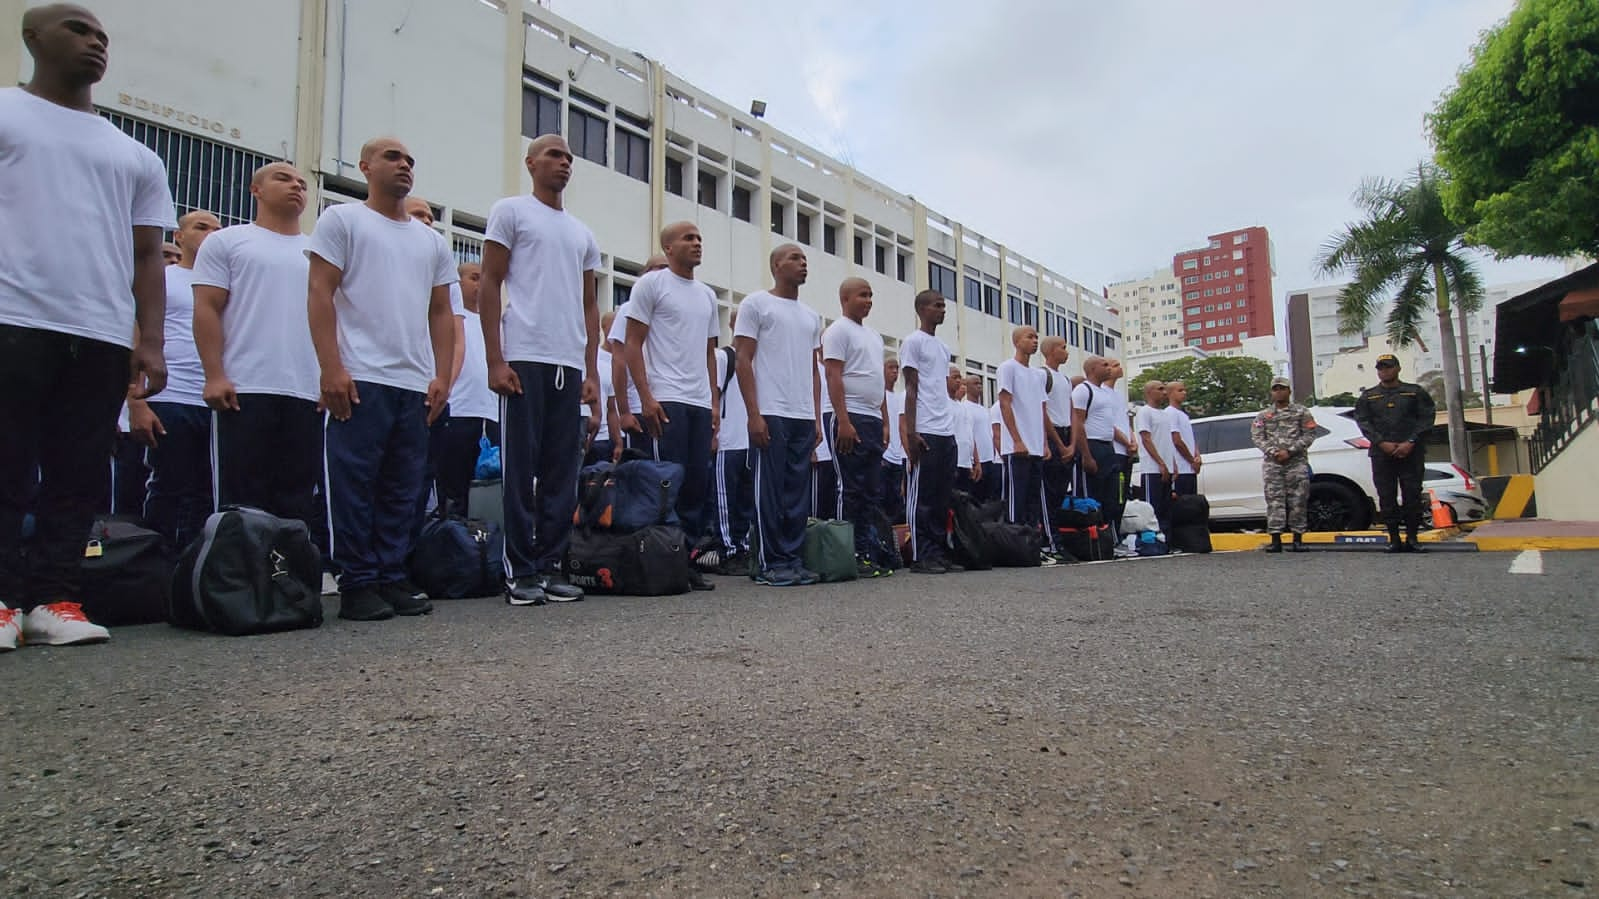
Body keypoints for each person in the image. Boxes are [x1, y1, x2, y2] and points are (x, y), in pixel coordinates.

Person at [0, 4, 176, 649]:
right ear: (32, 37)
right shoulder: (6, 113)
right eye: (77, 29)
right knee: (7, 464)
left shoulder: (132, 154)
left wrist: (149, 340)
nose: (95, 43)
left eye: (103, 35)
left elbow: (146, 254)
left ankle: (55, 599)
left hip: (98, 331)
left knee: (78, 473)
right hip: (13, 317)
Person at [308, 137, 457, 621]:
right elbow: (320, 292)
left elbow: (440, 312)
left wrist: (440, 376)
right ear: (366, 166)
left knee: (404, 488)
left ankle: (392, 575)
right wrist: (331, 367)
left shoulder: (431, 241)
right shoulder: (342, 220)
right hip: (360, 377)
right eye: (393, 157)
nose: (405, 165)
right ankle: (357, 582)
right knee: (354, 484)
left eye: (411, 160)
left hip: (414, 383)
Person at [480, 135, 600, 606]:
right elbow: (490, 281)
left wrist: (590, 370)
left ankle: (551, 564)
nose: (564, 162)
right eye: (554, 154)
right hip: (524, 354)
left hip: (567, 361)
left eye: (569, 156)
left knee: (560, 473)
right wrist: (495, 358)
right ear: (530, 163)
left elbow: (590, 304)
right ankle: (519, 570)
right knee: (520, 469)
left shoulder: (582, 233)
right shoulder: (510, 212)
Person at [193, 163, 322, 540]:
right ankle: (239, 589)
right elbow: (207, 309)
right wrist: (214, 374)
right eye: (284, 178)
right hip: (244, 388)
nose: (296, 186)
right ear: (256, 190)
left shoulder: (317, 252)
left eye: (302, 183)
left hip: (306, 392)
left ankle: (286, 588)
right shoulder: (228, 242)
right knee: (241, 504)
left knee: (296, 502)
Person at [621, 221, 719, 591]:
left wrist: (713, 401)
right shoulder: (651, 284)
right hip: (666, 399)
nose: (696, 243)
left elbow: (710, 353)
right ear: (668, 247)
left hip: (697, 401)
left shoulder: (707, 295)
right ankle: (660, 560)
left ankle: (686, 561)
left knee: (696, 485)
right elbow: (632, 344)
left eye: (699, 237)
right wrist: (646, 397)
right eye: (688, 238)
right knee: (666, 484)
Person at [734, 244, 823, 587]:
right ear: (775, 265)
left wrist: (815, 416)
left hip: (801, 414)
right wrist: (753, 414)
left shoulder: (811, 316)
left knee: (797, 492)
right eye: (794, 258)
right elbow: (744, 359)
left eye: (804, 260)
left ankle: (792, 558)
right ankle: (769, 561)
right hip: (771, 410)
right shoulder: (756, 304)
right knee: (768, 490)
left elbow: (814, 370)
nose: (802, 264)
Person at [132, 209, 221, 552]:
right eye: (201, 227)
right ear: (179, 237)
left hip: (215, 401)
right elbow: (137, 337)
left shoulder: (228, 284)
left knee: (207, 493)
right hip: (170, 396)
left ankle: (193, 574)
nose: (211, 233)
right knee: (168, 486)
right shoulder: (163, 280)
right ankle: (153, 566)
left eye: (217, 229)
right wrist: (135, 400)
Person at [821, 277, 890, 577]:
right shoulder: (837, 331)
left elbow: (879, 382)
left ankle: (864, 551)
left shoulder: (874, 336)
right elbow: (833, 375)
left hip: (872, 418)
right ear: (845, 298)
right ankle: (842, 552)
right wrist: (844, 420)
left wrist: (885, 420)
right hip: (849, 417)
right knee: (848, 487)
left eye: (871, 295)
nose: (868, 301)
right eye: (862, 295)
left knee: (870, 490)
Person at [901, 290, 961, 574]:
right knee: (922, 497)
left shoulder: (943, 347)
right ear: (922, 309)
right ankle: (921, 555)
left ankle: (938, 551)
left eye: (944, 305)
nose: (943, 310)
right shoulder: (913, 343)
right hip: (924, 427)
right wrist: (912, 432)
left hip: (945, 429)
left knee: (941, 496)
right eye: (938, 305)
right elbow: (911, 389)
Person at [1353, 354, 1435, 553]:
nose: (1384, 371)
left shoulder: (1414, 393)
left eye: (1388, 367)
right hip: (1382, 454)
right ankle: (1394, 538)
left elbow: (1426, 418)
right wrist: (1381, 442)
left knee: (1412, 495)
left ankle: (1413, 538)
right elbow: (1363, 422)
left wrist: (1411, 441)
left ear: (1398, 368)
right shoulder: (1368, 396)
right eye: (1381, 368)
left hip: (1411, 452)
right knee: (1386, 497)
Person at [438, 262, 500, 517]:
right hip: (458, 411)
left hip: (491, 414)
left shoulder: (495, 324)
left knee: (490, 486)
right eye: (474, 278)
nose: (479, 284)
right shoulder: (448, 319)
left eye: (483, 279)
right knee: (454, 488)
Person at [996, 326, 1054, 560]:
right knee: (1015, 502)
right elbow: (1004, 403)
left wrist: (1045, 443)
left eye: (1036, 337)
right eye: (1029, 337)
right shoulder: (1007, 368)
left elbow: (1041, 409)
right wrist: (1017, 439)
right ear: (1016, 341)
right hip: (1017, 448)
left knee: (1032, 502)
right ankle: (1013, 548)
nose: (1034, 341)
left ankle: (1031, 547)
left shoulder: (1038, 375)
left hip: (1036, 447)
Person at [707, 309, 752, 574]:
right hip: (727, 441)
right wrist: (713, 434)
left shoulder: (755, 361)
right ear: (734, 325)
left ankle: (743, 547)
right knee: (724, 499)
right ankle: (728, 550)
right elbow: (714, 394)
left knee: (746, 500)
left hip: (749, 442)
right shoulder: (724, 357)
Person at [611, 254, 669, 458]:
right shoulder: (629, 308)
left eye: (667, 268)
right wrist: (624, 411)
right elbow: (618, 360)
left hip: (670, 402)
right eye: (659, 268)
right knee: (644, 474)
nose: (664, 273)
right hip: (639, 409)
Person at [1251, 376, 1318, 553]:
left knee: (1298, 500)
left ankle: (1298, 539)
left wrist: (1290, 450)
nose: (1279, 392)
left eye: (1282, 388)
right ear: (1271, 392)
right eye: (1275, 389)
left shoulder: (1301, 412)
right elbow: (1257, 437)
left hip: (1296, 463)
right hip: (1273, 464)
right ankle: (1275, 539)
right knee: (1274, 501)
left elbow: (1309, 434)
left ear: (1289, 391)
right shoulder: (1263, 415)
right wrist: (1274, 452)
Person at [1070, 356, 1123, 537]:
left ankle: (1109, 539)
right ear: (1093, 369)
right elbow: (1078, 423)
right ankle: (1090, 537)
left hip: (1108, 447)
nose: (1109, 368)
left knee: (1111, 497)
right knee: (1091, 497)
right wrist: (1086, 455)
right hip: (1092, 446)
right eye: (1105, 365)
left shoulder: (1104, 393)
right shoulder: (1083, 391)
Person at [1134, 380, 1176, 530]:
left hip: (1167, 467)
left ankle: (1166, 541)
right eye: (1160, 389)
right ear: (1149, 392)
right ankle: (1152, 539)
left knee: (1166, 508)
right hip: (1152, 469)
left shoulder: (1164, 414)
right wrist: (1160, 463)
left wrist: (1173, 465)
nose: (1165, 392)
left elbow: (1167, 441)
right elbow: (1146, 439)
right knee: (1152, 509)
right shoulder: (1144, 412)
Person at [1040, 336, 1075, 514]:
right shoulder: (1042, 375)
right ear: (1052, 351)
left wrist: (1072, 444)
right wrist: (1060, 446)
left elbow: (1071, 411)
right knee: (1050, 489)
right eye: (1063, 347)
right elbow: (1042, 411)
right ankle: (1049, 534)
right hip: (1053, 436)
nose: (1066, 352)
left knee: (1062, 488)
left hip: (1067, 435)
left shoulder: (1066, 379)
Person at [1105, 359, 1135, 531]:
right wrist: (1125, 441)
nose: (1120, 368)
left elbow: (1125, 421)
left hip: (1126, 452)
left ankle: (1117, 533)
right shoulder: (1103, 393)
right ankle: (1111, 535)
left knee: (1122, 496)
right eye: (1115, 365)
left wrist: (1132, 441)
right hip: (1114, 450)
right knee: (1113, 495)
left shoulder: (1119, 395)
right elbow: (1109, 424)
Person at [589, 308, 620, 467]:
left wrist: (618, 442)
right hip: (589, 435)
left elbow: (612, 406)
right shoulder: (594, 359)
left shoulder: (623, 362)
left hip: (610, 438)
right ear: (605, 328)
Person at [963, 375, 999, 503]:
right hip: (977, 462)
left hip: (990, 460)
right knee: (975, 498)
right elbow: (969, 435)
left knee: (989, 498)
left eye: (980, 383)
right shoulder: (965, 408)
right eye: (975, 383)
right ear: (966, 387)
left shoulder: (985, 410)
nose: (979, 386)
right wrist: (976, 460)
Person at [880, 357, 907, 524]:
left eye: (897, 368)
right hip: (884, 456)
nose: (895, 372)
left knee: (897, 502)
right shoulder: (879, 395)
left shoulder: (899, 398)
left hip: (898, 457)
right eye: (891, 368)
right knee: (881, 499)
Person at [1167, 380, 1201, 497]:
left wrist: (1197, 456)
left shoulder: (1183, 414)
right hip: (1181, 469)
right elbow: (1176, 440)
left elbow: (1190, 438)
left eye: (1184, 390)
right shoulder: (1170, 413)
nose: (1184, 393)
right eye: (1180, 390)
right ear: (1170, 393)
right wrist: (1192, 461)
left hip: (1190, 469)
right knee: (1182, 505)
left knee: (1192, 504)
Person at [951, 367, 981, 495]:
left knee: (966, 503)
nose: (960, 384)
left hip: (966, 463)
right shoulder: (944, 405)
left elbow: (970, 437)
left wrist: (976, 462)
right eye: (955, 378)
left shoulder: (964, 409)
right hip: (953, 463)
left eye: (962, 381)